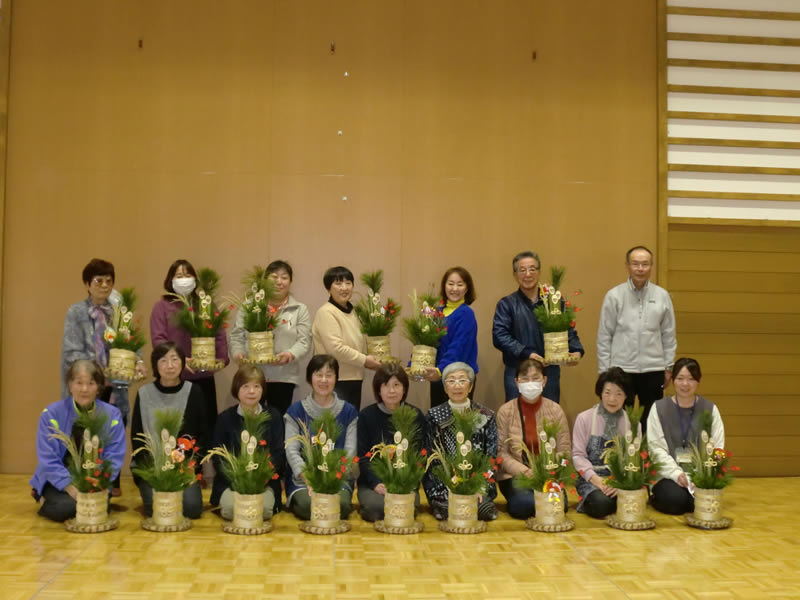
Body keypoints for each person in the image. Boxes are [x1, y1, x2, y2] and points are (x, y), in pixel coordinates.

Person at [61, 258, 144, 496]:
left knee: (114, 431)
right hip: (87, 387)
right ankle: (84, 483)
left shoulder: (121, 312)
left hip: (116, 387)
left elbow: (133, 345)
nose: (104, 286)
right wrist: (99, 369)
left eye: (109, 281)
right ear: (87, 284)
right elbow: (71, 352)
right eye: (98, 281)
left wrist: (136, 363)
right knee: (84, 434)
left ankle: (111, 482)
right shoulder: (76, 312)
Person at [31, 360, 126, 522]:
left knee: (99, 507)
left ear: (98, 388)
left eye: (91, 383)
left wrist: (98, 483)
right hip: (59, 478)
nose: (84, 389)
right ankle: (41, 495)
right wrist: (69, 486)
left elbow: (114, 456)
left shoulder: (112, 415)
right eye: (79, 383)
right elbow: (48, 458)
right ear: (69, 385)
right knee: (67, 508)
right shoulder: (51, 414)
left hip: (95, 478)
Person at [150, 259, 229, 444]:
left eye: (188, 275)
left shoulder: (206, 304)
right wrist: (179, 362)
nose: (184, 279)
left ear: (195, 280)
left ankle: (199, 471)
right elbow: (158, 340)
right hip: (173, 380)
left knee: (203, 431)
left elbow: (219, 336)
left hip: (203, 379)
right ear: (170, 280)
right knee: (174, 431)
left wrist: (220, 360)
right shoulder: (161, 306)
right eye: (179, 276)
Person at [597, 245, 676, 430]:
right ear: (627, 266)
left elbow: (669, 334)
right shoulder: (614, 296)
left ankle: (648, 457)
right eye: (636, 264)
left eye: (645, 264)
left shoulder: (662, 296)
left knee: (652, 423)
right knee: (620, 422)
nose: (640, 269)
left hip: (653, 369)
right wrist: (604, 372)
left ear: (651, 266)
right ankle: (621, 457)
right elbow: (604, 336)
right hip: (622, 369)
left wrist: (668, 366)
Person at [492, 251, 583, 403]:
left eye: (532, 269)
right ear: (515, 275)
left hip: (549, 372)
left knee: (550, 419)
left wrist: (576, 350)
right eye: (522, 270)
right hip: (517, 372)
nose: (528, 274)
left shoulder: (554, 301)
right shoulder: (506, 304)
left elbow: (568, 330)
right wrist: (526, 353)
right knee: (516, 418)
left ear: (539, 272)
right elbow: (499, 336)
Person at [130, 342, 207, 519]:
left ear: (182, 363)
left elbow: (203, 433)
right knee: (157, 510)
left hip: (184, 468)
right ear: (156, 365)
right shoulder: (144, 393)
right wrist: (152, 468)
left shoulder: (194, 392)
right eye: (163, 361)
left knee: (192, 508)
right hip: (152, 468)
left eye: (175, 359)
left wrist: (190, 465)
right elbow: (137, 437)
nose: (170, 366)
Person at [229, 260, 312, 415]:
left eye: (284, 277)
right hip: (251, 376)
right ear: (265, 280)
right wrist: (237, 354)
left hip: (283, 377)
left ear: (290, 282)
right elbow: (236, 335)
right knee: (251, 421)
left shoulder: (300, 309)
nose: (279, 282)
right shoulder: (250, 306)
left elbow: (304, 341)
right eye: (274, 277)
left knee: (278, 421)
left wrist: (289, 355)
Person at [284, 355, 358, 520]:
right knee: (306, 505)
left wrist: (331, 480)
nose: (324, 380)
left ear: (336, 378)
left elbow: (349, 452)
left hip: (337, 480)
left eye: (329, 375)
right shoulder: (295, 411)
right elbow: (292, 450)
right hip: (304, 482)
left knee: (341, 506)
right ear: (310, 378)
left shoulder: (349, 412)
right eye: (318, 374)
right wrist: (309, 479)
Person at [423, 362, 498, 521]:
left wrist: (480, 486)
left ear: (470, 386)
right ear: (444, 387)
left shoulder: (486, 416)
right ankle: (443, 504)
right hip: (444, 485)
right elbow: (431, 458)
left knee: (483, 509)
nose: (457, 386)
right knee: (445, 507)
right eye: (451, 381)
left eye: (462, 380)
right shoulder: (434, 415)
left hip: (476, 483)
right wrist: (447, 486)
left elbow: (490, 457)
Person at [648, 358, 725, 515]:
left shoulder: (710, 409)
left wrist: (700, 475)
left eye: (691, 379)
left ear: (698, 381)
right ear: (673, 380)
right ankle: (656, 497)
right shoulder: (659, 408)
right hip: (667, 475)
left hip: (700, 475)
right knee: (676, 501)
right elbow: (655, 449)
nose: (685, 384)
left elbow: (717, 446)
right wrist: (677, 474)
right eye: (680, 378)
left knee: (703, 501)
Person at [496, 358, 571, 519]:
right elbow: (501, 453)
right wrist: (524, 471)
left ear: (544, 381)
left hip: (548, 474)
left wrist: (544, 470)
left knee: (559, 505)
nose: (530, 383)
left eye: (536, 378)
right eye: (525, 379)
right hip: (516, 475)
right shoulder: (505, 411)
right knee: (523, 505)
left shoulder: (555, 410)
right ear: (516, 382)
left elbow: (564, 451)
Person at [211, 365, 285, 520]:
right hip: (231, 483)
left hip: (265, 483)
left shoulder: (273, 416)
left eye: (256, 386)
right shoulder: (225, 418)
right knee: (231, 509)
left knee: (262, 510)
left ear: (262, 389)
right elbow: (218, 457)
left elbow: (278, 454)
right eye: (246, 386)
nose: (251, 391)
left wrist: (260, 478)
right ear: (236, 388)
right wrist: (238, 479)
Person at [356, 363, 426, 522]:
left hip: (405, 483)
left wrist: (407, 482)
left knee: (406, 508)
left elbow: (421, 455)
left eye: (396, 385)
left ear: (404, 389)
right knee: (375, 509)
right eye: (385, 385)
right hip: (373, 484)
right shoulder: (367, 416)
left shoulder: (415, 415)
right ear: (378, 390)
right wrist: (376, 483)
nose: (392, 390)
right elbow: (363, 456)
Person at [311, 266, 381, 410]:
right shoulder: (326, 312)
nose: (344, 287)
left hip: (354, 378)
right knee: (335, 426)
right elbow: (336, 349)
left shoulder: (355, 312)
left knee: (350, 423)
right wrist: (365, 360)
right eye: (338, 283)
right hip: (334, 380)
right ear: (328, 288)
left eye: (348, 283)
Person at [572, 368, 637, 519]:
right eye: (607, 392)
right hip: (592, 479)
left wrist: (620, 483)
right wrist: (597, 480)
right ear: (600, 393)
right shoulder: (584, 418)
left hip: (621, 480)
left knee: (631, 500)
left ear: (626, 396)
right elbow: (578, 456)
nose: (612, 399)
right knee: (601, 504)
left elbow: (635, 459)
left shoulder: (633, 423)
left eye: (618, 393)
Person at [424, 267, 479, 408]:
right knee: (438, 421)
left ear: (467, 289)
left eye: (460, 284)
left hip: (459, 379)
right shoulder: (436, 312)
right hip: (438, 377)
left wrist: (440, 370)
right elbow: (425, 342)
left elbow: (458, 347)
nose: (455, 288)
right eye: (450, 283)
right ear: (444, 286)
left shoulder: (466, 314)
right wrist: (415, 363)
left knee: (458, 423)